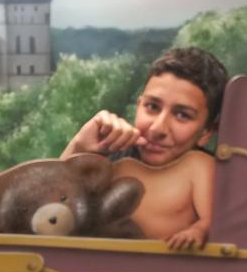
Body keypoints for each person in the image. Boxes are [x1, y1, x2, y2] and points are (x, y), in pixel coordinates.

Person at [61, 47, 227, 250]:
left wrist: (197, 231)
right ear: (139, 105)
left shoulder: (200, 167)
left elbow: (215, 222)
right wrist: (79, 146)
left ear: (206, 133)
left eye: (182, 115)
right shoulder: (118, 164)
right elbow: (53, 213)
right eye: (152, 107)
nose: (157, 129)